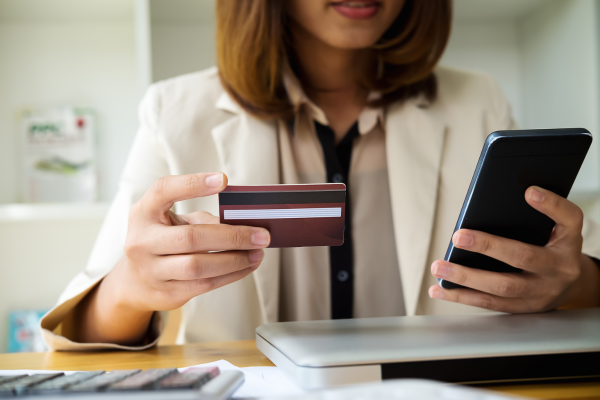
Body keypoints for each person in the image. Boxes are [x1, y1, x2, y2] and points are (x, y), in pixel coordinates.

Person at [41, 0, 600, 351]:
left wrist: (569, 282)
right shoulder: (174, 110)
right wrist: (131, 289)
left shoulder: (478, 102)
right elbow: (76, 331)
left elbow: (576, 274)